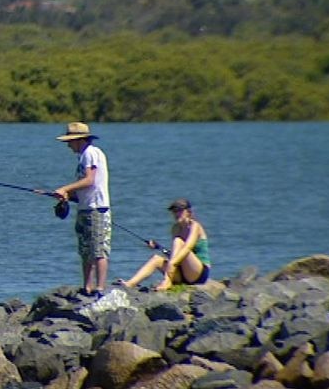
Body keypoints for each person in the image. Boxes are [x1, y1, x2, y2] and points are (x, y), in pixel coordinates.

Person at [49, 122, 111, 295]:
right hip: (86, 208)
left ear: (78, 140)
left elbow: (89, 180)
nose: (68, 145)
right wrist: (67, 196)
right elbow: (85, 188)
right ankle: (87, 287)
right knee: (85, 250)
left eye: (69, 141)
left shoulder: (90, 153)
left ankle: (100, 289)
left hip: (97, 208)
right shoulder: (83, 156)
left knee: (98, 250)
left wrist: (65, 189)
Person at [116, 198, 211, 291]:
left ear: (188, 212)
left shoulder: (195, 226)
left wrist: (171, 264)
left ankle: (167, 281)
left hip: (198, 273)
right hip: (181, 272)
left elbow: (187, 248)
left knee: (178, 241)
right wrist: (158, 247)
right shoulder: (175, 228)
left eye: (179, 211)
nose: (176, 214)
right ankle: (130, 283)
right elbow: (175, 255)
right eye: (174, 211)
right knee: (156, 259)